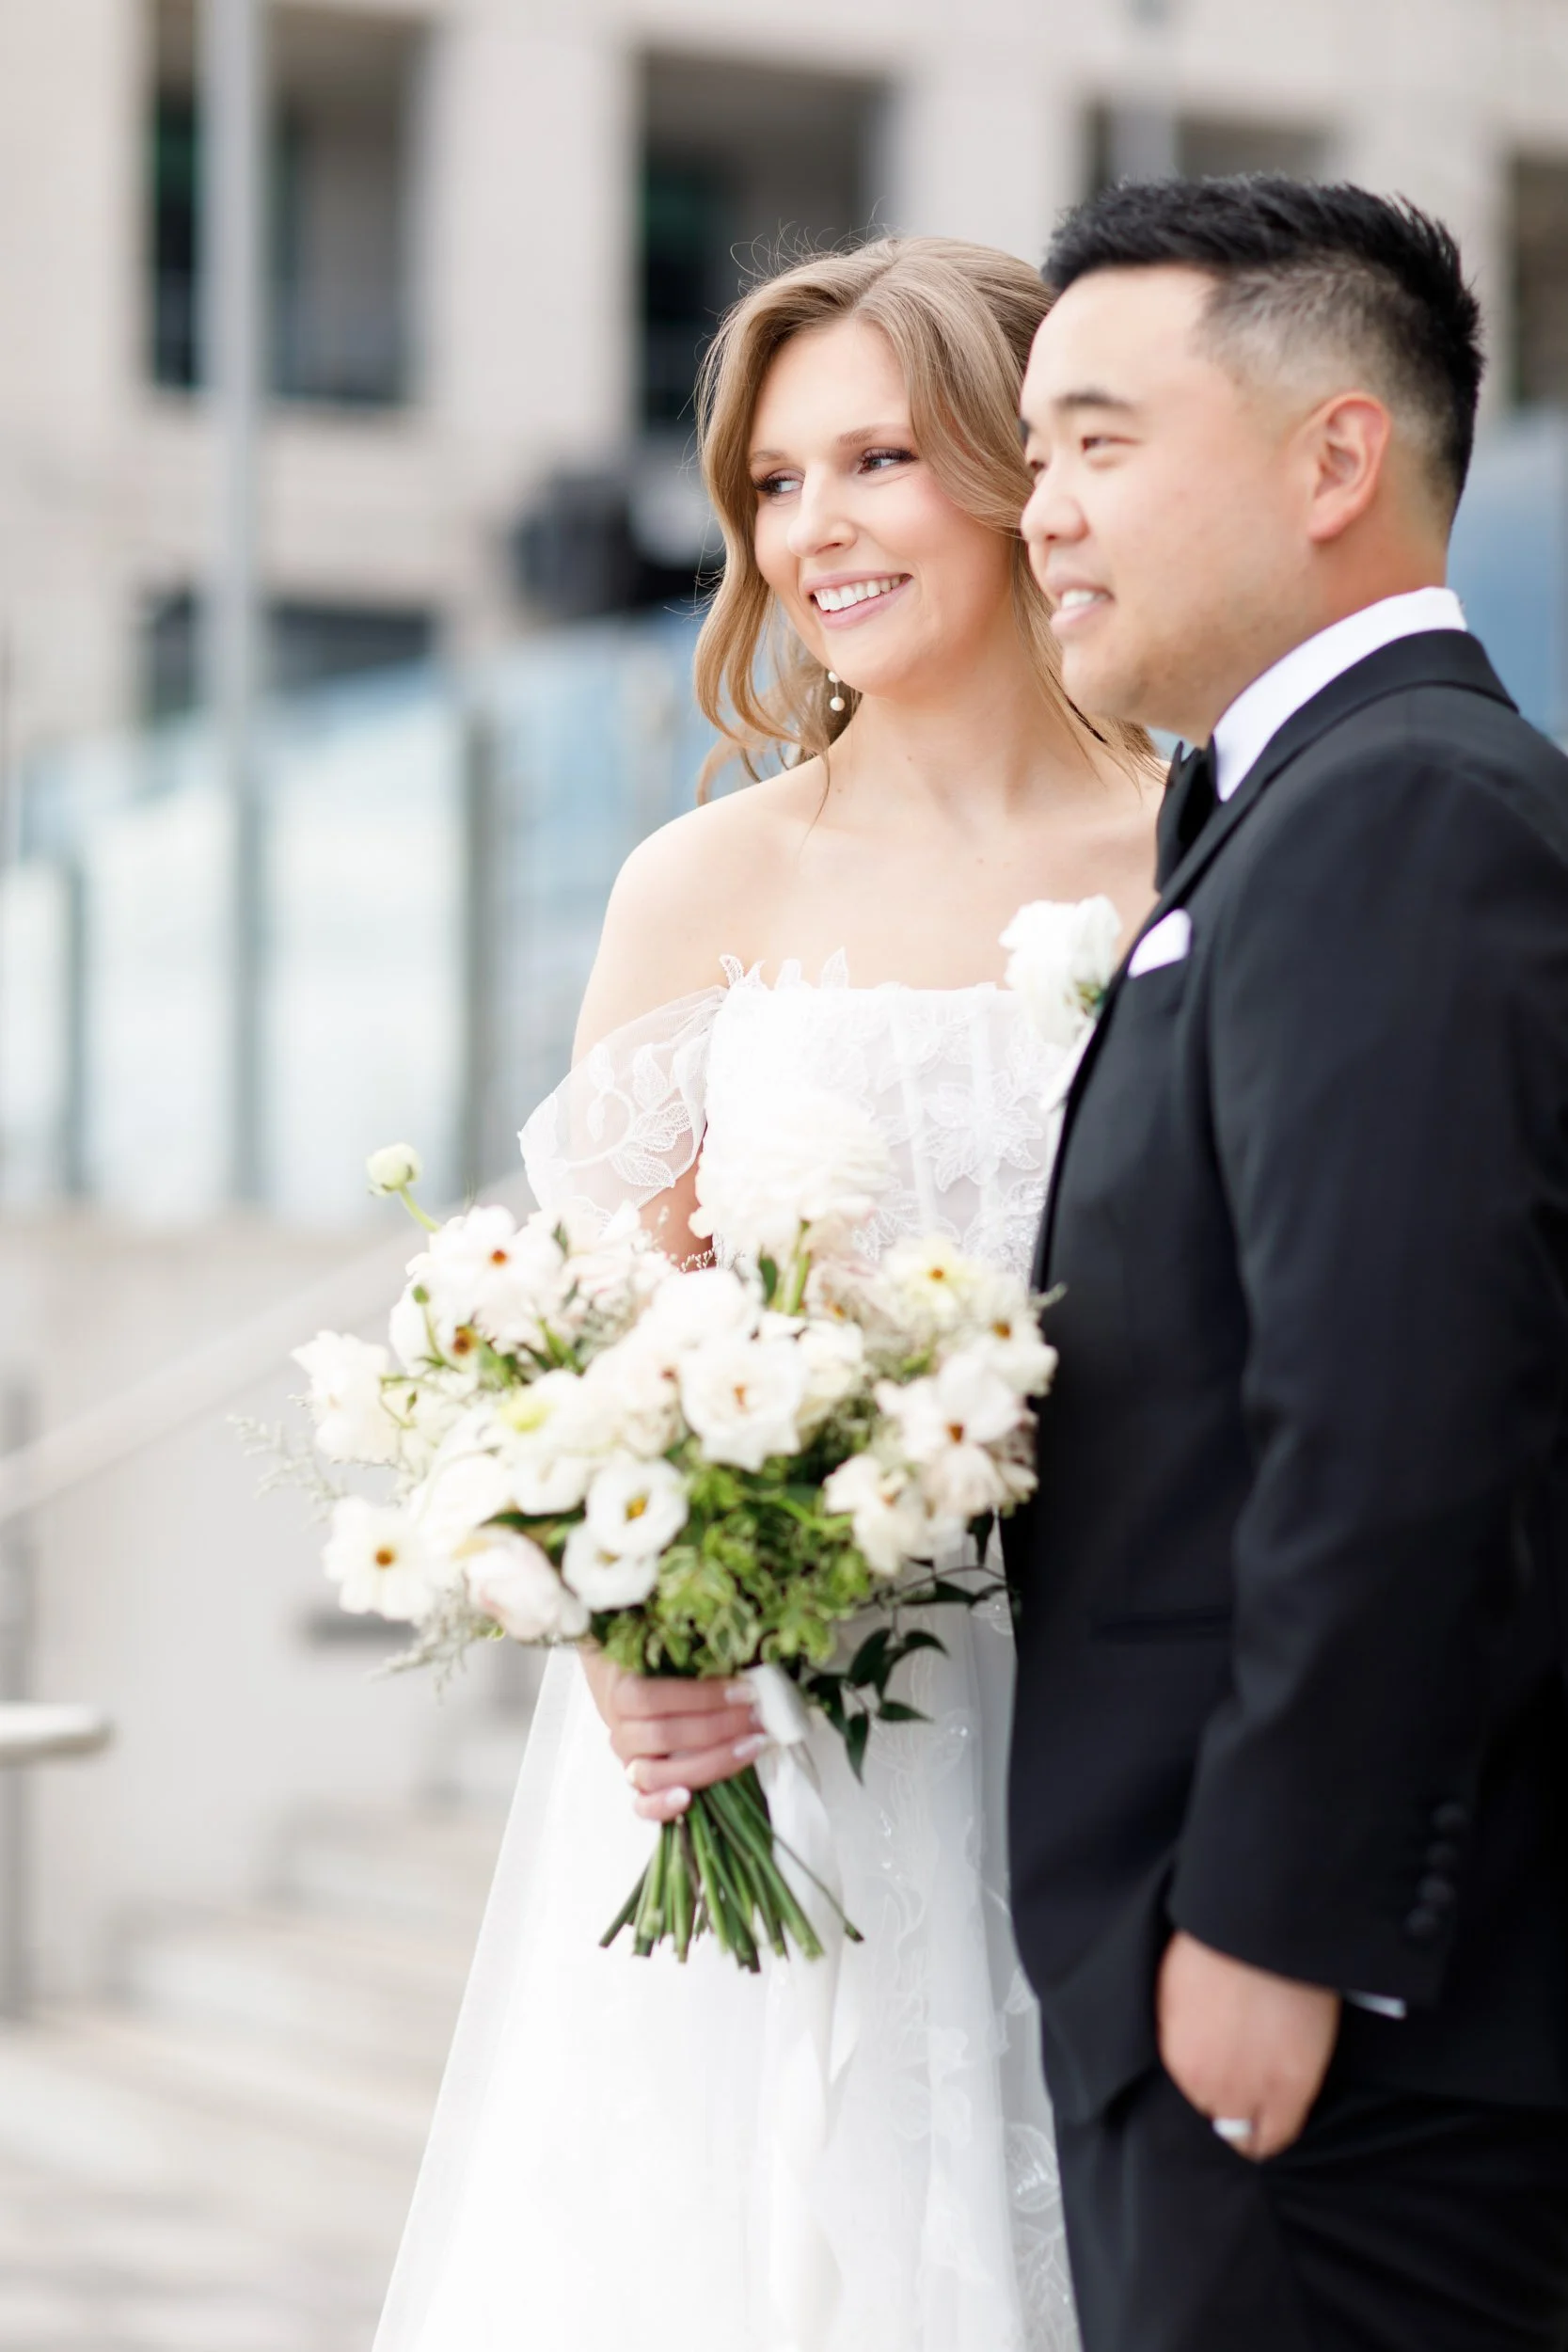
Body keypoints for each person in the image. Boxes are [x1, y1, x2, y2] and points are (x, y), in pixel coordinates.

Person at [372, 237, 1158, 2352]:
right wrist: (619, 1626)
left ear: (1017, 474)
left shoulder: (1195, 856)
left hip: (1117, 1725)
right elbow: (597, 1360)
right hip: (771, 1739)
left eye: (879, 457)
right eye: (773, 481)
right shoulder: (699, 883)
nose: (813, 527)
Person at [1008, 173, 1568, 2352]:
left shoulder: (1402, 811)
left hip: (1332, 2057)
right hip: (1257, 2027)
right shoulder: (1280, 813)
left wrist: (1276, 1922)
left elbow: (1405, 1415)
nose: (1037, 507)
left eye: (1096, 439)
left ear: (1333, 456)